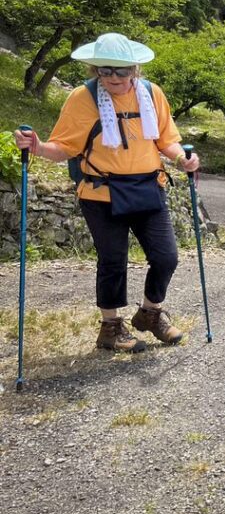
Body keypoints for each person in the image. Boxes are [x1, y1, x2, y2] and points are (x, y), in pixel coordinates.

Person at [13, 33, 199, 353]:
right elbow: (64, 148)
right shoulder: (81, 99)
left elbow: (166, 139)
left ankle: (151, 314)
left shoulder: (152, 94)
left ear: (134, 69)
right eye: (105, 70)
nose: (113, 77)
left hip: (147, 187)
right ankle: (111, 329)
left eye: (121, 70)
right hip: (101, 192)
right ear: (95, 69)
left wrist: (182, 158)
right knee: (113, 260)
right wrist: (39, 147)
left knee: (166, 257)